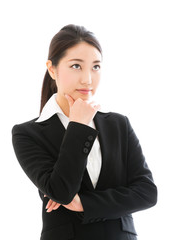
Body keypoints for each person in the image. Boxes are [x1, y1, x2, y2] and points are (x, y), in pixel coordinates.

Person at [12, 24, 157, 240]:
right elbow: (62, 192)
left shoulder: (118, 124)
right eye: (76, 66)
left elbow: (147, 193)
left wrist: (83, 204)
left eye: (96, 67)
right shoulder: (29, 133)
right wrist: (78, 126)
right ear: (52, 69)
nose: (88, 79)